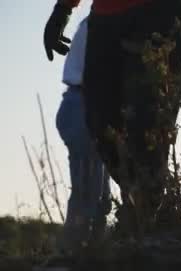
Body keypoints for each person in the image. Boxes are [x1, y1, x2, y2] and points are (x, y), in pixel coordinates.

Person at [43, 0, 181, 235]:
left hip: (163, 10)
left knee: (148, 118)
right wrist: (62, 9)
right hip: (107, 14)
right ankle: (144, 207)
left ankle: (148, 218)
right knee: (100, 120)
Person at [55, 17, 112, 253]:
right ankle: (76, 250)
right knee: (88, 192)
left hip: (82, 103)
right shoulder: (103, 23)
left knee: (99, 196)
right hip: (83, 104)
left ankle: (91, 250)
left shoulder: (98, 20)